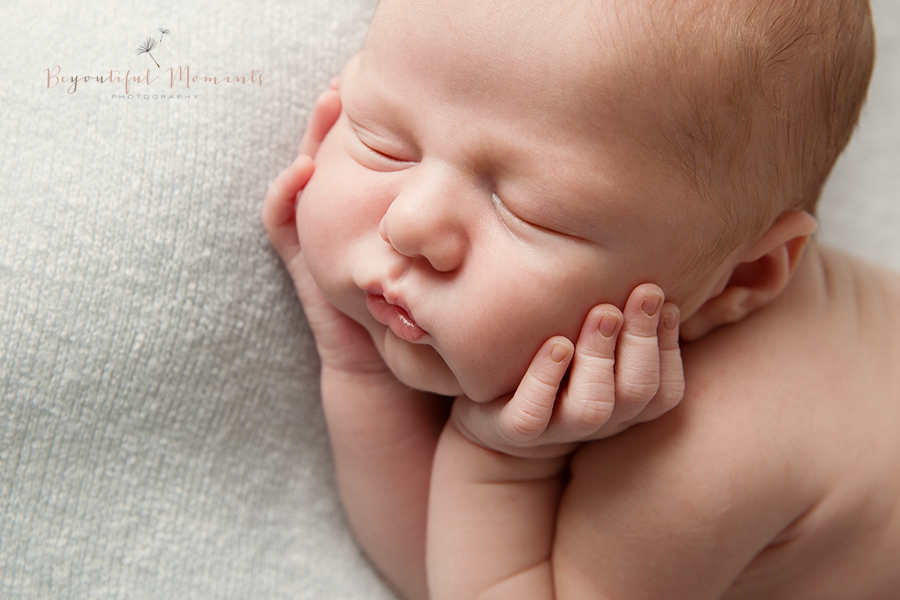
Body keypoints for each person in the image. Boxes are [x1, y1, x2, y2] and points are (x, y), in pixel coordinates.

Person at [263, 0, 900, 597]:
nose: (409, 224)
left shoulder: (704, 462)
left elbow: (435, 580)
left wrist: (496, 461)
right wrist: (355, 357)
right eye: (382, 138)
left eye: (530, 213)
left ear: (737, 280)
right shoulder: (684, 257)